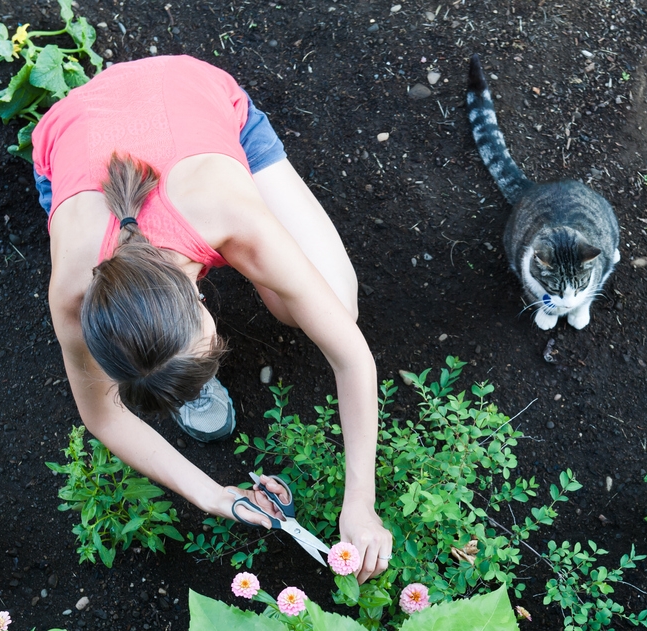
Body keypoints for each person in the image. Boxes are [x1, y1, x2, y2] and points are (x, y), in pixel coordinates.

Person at [31, 54, 391, 582]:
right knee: (303, 300)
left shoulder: (227, 210)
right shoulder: (71, 290)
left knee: (334, 302)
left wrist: (360, 502)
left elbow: (351, 354)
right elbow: (103, 415)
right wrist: (212, 494)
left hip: (196, 102)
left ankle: (185, 360)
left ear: (200, 295)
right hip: (72, 143)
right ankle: (178, 367)